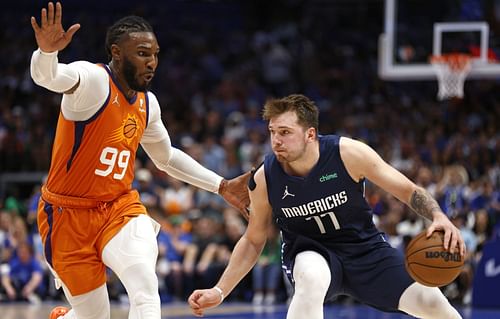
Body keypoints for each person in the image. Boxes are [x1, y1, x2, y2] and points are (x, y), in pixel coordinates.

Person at [29, 2, 250, 319]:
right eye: (143, 53)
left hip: (119, 207)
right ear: (117, 53)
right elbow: (49, 77)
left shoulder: (149, 104)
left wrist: (222, 185)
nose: (152, 62)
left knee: (146, 291)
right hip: (67, 215)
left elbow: (167, 158)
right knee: (94, 316)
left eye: (156, 54)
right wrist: (47, 53)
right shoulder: (92, 81)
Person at [188, 94, 466, 319]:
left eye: (285, 132)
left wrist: (438, 215)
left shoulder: (348, 153)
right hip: (310, 249)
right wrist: (220, 290)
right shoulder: (264, 176)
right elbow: (252, 239)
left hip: (364, 249)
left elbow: (408, 190)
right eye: (272, 132)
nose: (276, 141)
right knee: (310, 278)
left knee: (433, 303)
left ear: (310, 134)